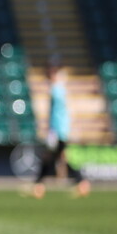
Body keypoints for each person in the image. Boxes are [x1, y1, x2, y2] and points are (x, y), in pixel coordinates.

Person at [32, 64, 90, 198]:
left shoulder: (56, 91)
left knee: (50, 157)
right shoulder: (59, 90)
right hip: (59, 131)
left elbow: (58, 114)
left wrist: (53, 131)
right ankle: (81, 182)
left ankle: (39, 184)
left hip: (57, 132)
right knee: (60, 157)